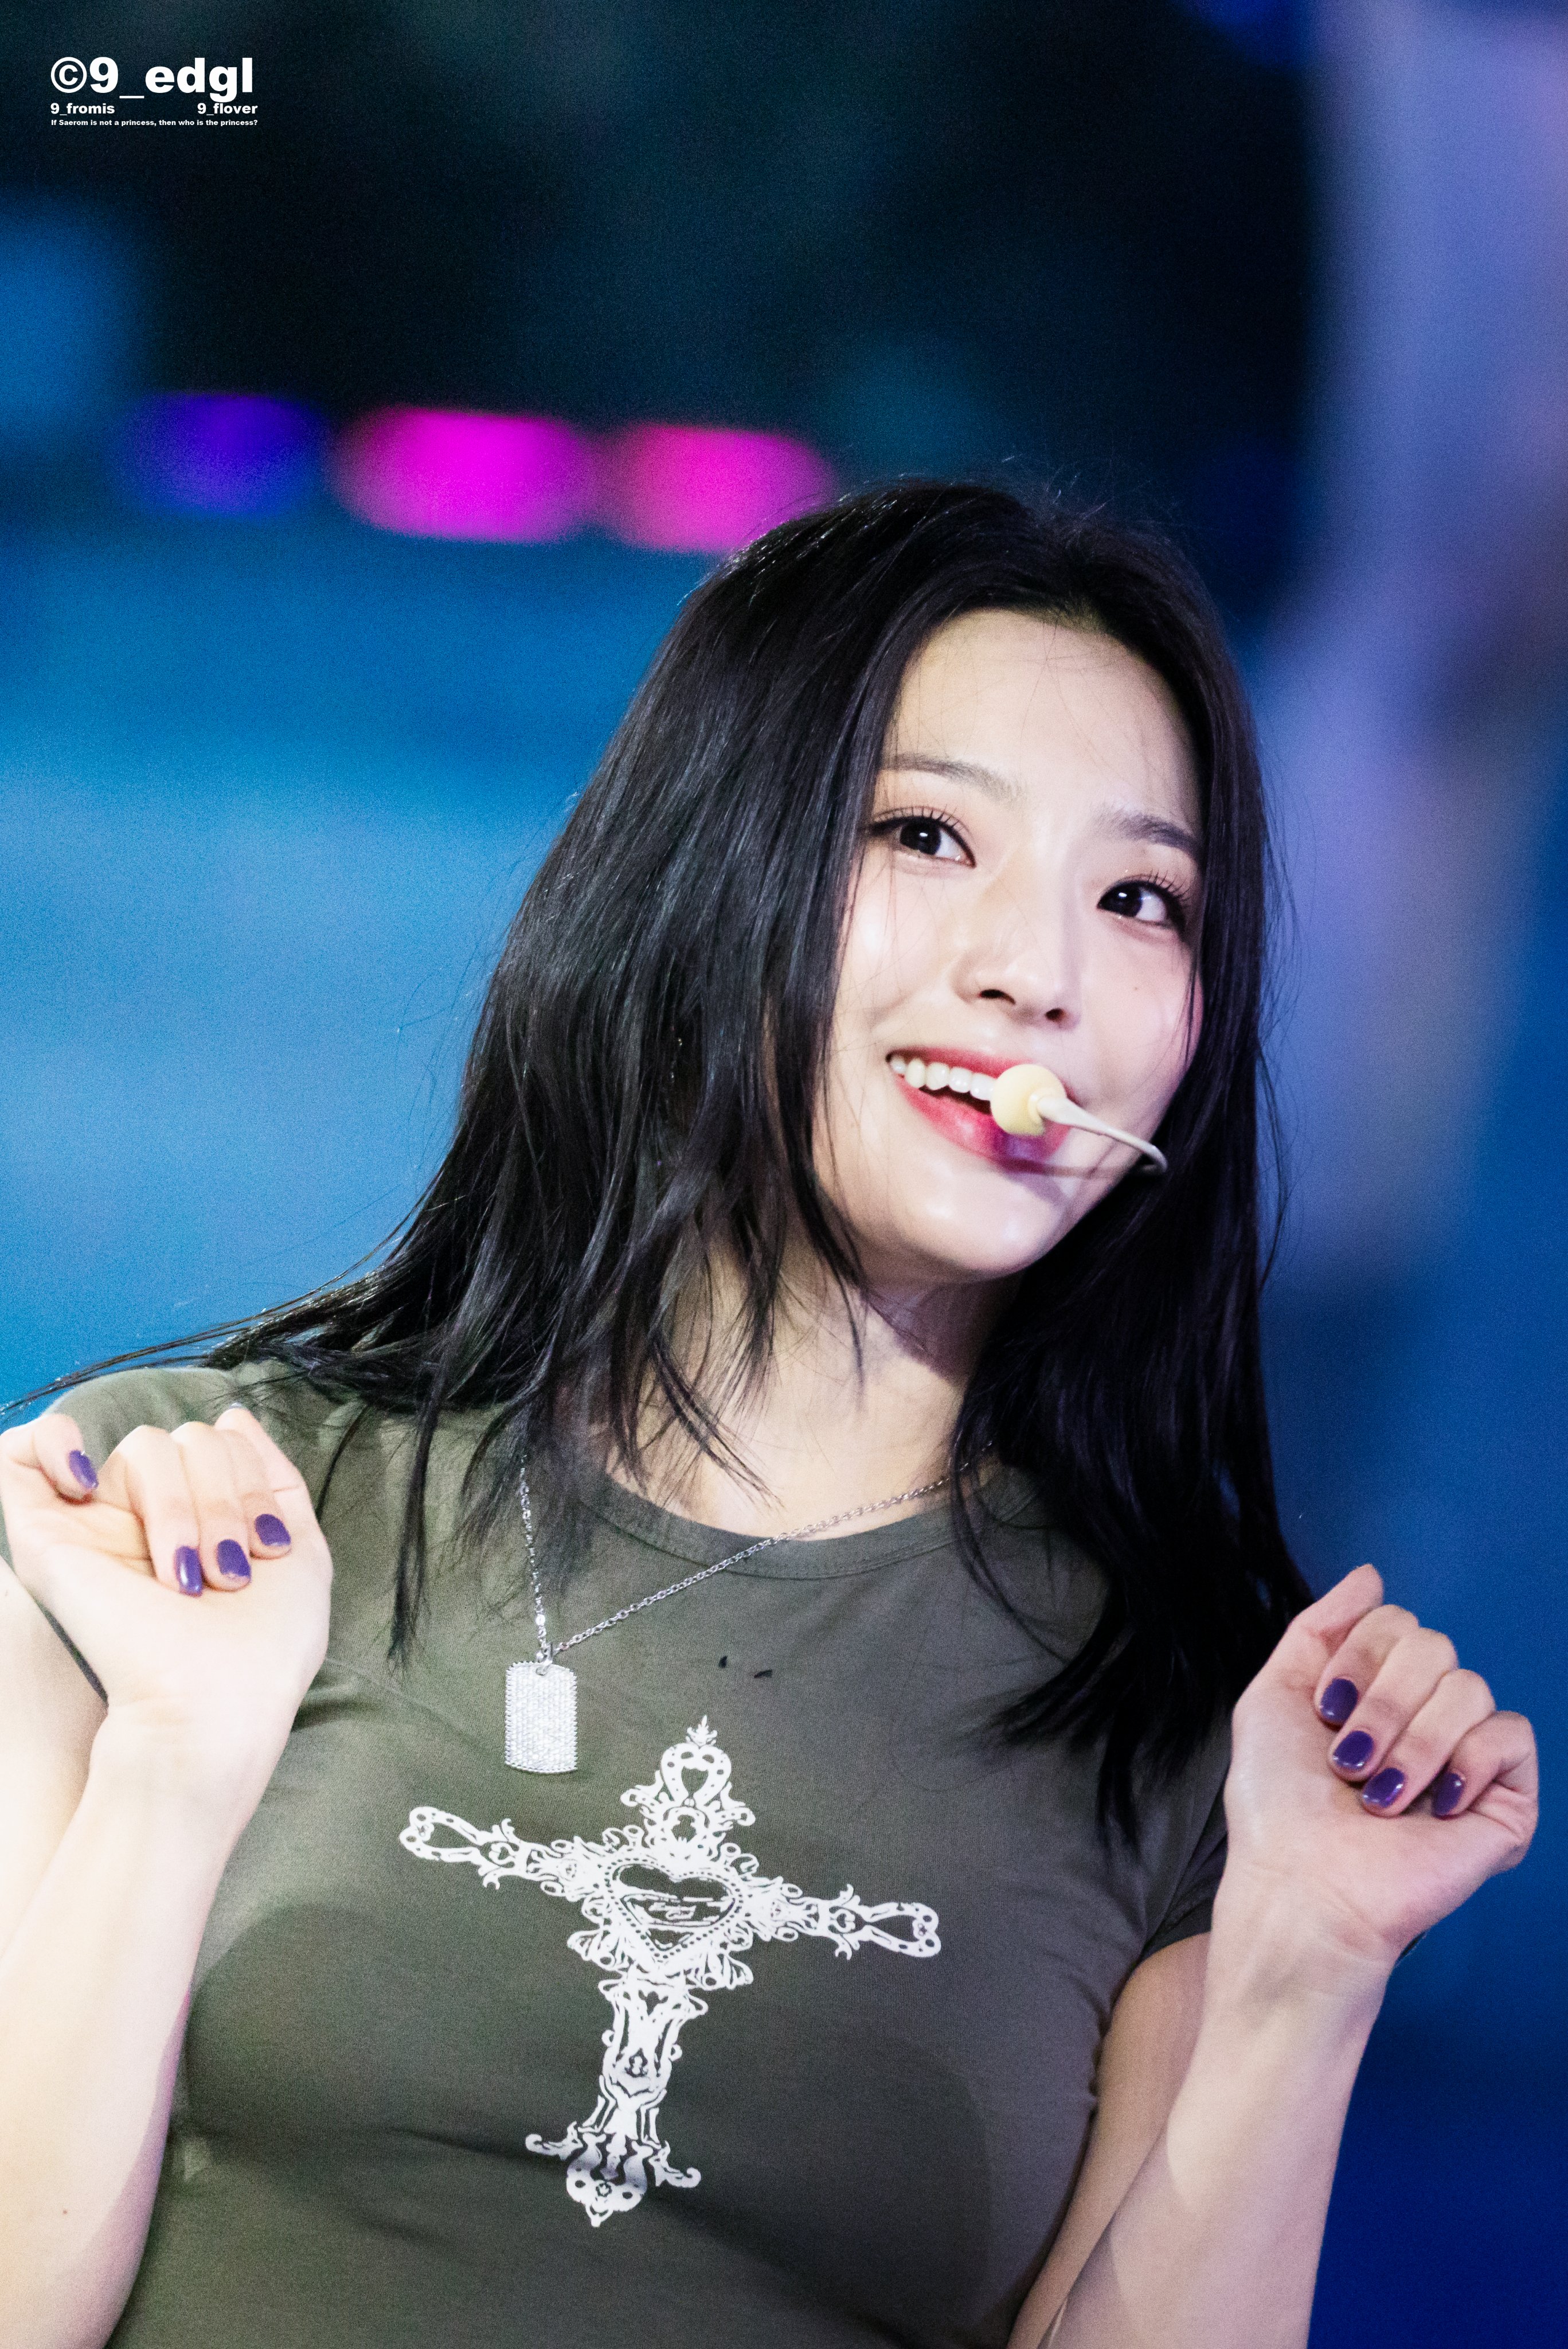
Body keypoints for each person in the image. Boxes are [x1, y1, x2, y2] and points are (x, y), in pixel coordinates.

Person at [0, 483, 1537, 2349]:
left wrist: (1311, 1969)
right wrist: (174, 1766)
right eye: (927, 835)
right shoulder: (176, 1509)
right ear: (708, 861)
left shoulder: (1183, 1719)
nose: (1040, 975)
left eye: (1142, 898)